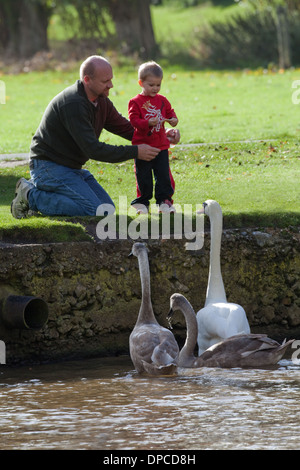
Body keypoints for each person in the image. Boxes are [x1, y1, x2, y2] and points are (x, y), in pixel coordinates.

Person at [11, 55, 180, 219]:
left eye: (111, 79)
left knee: (107, 209)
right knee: (96, 211)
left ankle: (46, 195)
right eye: (105, 81)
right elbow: (93, 149)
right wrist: (135, 151)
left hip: (72, 169)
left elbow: (127, 128)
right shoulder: (74, 104)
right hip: (48, 167)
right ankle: (30, 195)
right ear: (87, 80)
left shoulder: (101, 101)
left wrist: (160, 135)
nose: (111, 85)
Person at [128, 61, 178, 214]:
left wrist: (174, 120)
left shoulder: (162, 100)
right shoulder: (135, 102)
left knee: (163, 174)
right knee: (143, 176)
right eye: (151, 85)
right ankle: (142, 203)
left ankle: (164, 201)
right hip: (143, 146)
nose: (155, 88)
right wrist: (147, 123)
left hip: (161, 145)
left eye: (158, 85)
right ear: (140, 83)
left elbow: (171, 113)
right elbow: (133, 120)